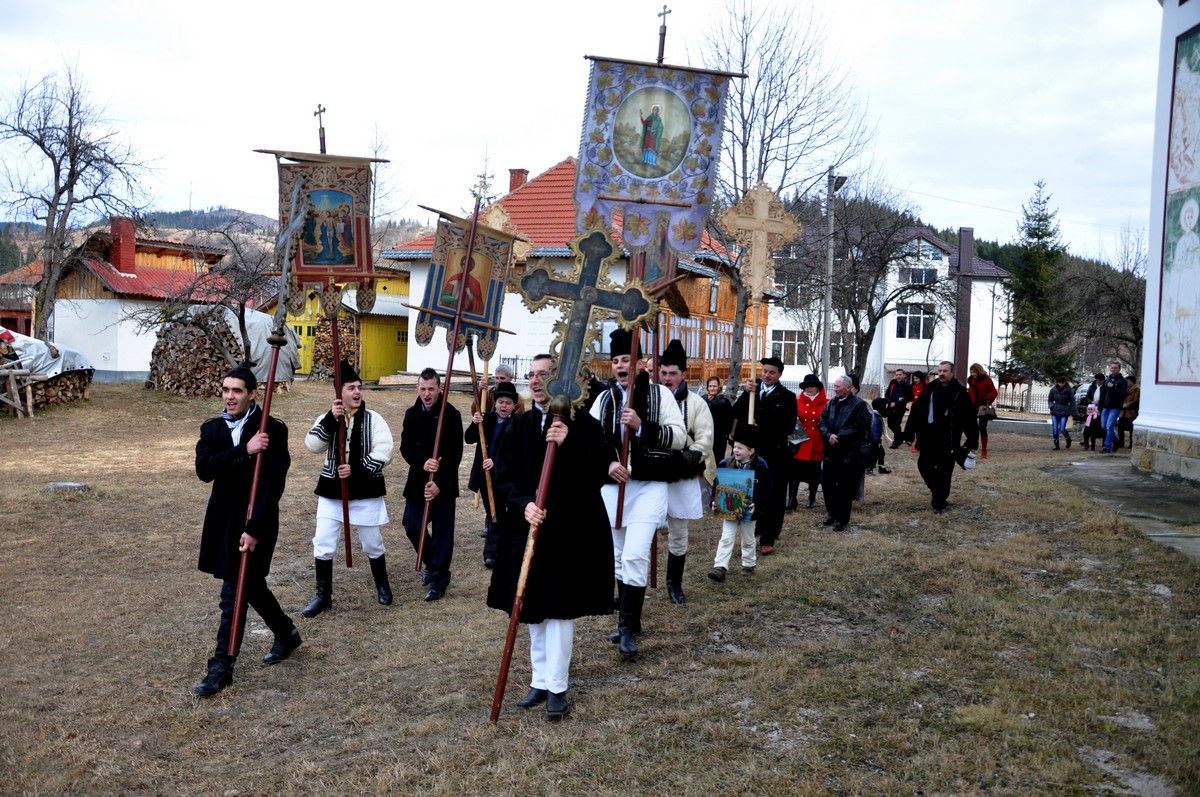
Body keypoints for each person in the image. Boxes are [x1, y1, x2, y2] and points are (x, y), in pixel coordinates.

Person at [489, 353, 616, 721]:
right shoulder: (522, 424)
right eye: (530, 374)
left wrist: (570, 441)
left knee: (559, 609)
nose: (533, 380)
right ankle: (539, 680)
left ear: (560, 382)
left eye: (542, 374)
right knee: (532, 607)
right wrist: (525, 503)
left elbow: (598, 471)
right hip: (530, 527)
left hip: (568, 530)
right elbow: (505, 474)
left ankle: (558, 686)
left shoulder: (583, 426)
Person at [193, 366, 299, 697]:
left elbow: (273, 482)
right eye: (225, 389)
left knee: (234, 591)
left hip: (257, 519)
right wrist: (244, 451)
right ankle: (286, 632)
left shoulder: (271, 429)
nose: (229, 396)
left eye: (237, 390)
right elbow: (204, 470)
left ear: (252, 394)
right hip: (224, 521)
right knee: (249, 585)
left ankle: (222, 666)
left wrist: (254, 529)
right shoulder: (212, 429)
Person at [590, 328, 686, 660]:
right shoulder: (603, 399)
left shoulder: (660, 395)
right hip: (614, 488)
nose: (620, 366)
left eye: (626, 360)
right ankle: (627, 620)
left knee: (634, 555)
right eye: (615, 360)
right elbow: (589, 444)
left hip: (649, 485)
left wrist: (642, 427)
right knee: (617, 556)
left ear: (641, 363)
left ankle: (629, 628)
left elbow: (678, 436)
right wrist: (607, 464)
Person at [301, 361, 396, 616]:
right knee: (323, 542)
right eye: (351, 388)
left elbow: (385, 450)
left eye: (359, 387)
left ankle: (382, 586)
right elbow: (312, 444)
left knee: (372, 543)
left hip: (365, 490)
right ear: (339, 392)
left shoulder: (374, 419)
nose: (357, 392)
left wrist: (358, 468)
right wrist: (333, 420)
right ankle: (323, 596)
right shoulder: (328, 418)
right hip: (332, 491)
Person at [656, 339, 716, 605]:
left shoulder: (697, 404)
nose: (668, 378)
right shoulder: (650, 398)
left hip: (681, 474)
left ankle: (674, 583)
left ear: (683, 375)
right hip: (652, 474)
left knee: (678, 531)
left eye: (673, 374)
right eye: (664, 373)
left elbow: (705, 440)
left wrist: (684, 460)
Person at [401, 367, 464, 602]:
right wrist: (422, 463)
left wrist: (440, 482)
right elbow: (405, 448)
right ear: (417, 388)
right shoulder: (411, 414)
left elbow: (456, 454)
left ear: (439, 389)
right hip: (419, 480)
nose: (427, 394)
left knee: (442, 534)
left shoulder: (451, 414)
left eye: (431, 389)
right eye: (423, 388)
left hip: (444, 484)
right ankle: (431, 562)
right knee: (412, 526)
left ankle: (439, 580)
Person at [731, 357, 797, 555]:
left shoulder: (787, 397)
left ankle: (769, 537)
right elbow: (735, 414)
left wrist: (762, 429)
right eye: (765, 371)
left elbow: (787, 427)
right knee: (752, 492)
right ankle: (755, 529)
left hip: (775, 454)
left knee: (774, 495)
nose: (767, 375)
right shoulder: (752, 393)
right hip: (753, 453)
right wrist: (745, 394)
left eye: (772, 372)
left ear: (779, 375)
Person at [904, 361, 979, 514]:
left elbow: (969, 418)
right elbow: (917, 412)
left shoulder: (960, 392)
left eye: (945, 371)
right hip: (929, 436)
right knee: (923, 465)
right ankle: (938, 491)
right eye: (940, 371)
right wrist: (909, 432)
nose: (941, 373)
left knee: (945, 471)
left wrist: (972, 439)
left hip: (949, 438)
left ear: (952, 373)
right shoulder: (930, 389)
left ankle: (939, 501)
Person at [708, 424, 772, 582]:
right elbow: (717, 486)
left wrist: (757, 503)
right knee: (726, 537)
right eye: (735, 447)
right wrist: (714, 501)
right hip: (729, 510)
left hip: (749, 511)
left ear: (751, 450)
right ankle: (720, 567)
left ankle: (749, 565)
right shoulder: (725, 464)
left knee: (748, 538)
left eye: (740, 448)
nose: (736, 450)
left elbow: (767, 489)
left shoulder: (761, 466)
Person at [466, 381, 519, 569]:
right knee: (492, 513)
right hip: (484, 476)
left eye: (508, 403)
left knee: (499, 514)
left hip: (503, 477)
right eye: (500, 402)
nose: (503, 406)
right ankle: (492, 552)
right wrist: (474, 423)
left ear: (514, 405)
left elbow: (515, 451)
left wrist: (496, 461)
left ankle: (494, 552)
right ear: (495, 403)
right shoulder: (486, 419)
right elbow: (469, 438)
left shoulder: (516, 424)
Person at [818, 374, 871, 531]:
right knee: (826, 482)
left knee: (844, 487)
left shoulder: (859, 405)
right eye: (834, 386)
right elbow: (822, 422)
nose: (835, 388)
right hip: (830, 451)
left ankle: (842, 519)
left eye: (838, 386)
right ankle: (831, 513)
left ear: (848, 388)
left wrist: (840, 436)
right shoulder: (832, 403)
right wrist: (829, 435)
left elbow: (861, 426)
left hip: (848, 453)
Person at [790, 374, 828, 510]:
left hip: (818, 440)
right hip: (799, 439)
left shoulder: (827, 402)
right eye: (806, 386)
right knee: (794, 470)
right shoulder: (796, 401)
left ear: (818, 387)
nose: (809, 388)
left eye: (812, 386)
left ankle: (811, 498)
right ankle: (792, 499)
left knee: (814, 470)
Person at [967, 363, 998, 459]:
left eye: (974, 372)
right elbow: (971, 392)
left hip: (982, 407)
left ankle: (984, 450)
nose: (973, 374)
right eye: (971, 372)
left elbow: (994, 392)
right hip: (972, 407)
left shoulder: (986, 380)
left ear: (978, 371)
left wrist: (987, 400)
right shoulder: (971, 380)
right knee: (972, 429)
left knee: (982, 428)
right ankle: (972, 447)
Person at [1098, 361, 1129, 454]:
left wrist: (1113, 387)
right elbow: (1102, 394)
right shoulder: (1107, 380)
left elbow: (1123, 394)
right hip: (1106, 406)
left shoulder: (1122, 381)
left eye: (1115, 368)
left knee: (1109, 426)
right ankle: (1116, 440)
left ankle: (1107, 446)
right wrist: (1100, 407)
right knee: (1104, 426)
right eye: (1112, 368)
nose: (1113, 369)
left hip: (1115, 407)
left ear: (1119, 369)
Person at [703, 375, 734, 465]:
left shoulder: (724, 402)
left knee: (716, 460)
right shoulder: (702, 399)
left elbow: (729, 419)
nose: (712, 388)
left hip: (718, 438)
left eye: (714, 386)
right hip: (704, 436)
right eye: (710, 386)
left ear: (719, 387)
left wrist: (728, 434)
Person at [882, 368, 913, 448]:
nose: (898, 376)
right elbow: (886, 394)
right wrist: (889, 402)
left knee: (896, 425)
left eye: (900, 375)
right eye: (897, 375)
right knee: (890, 425)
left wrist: (898, 402)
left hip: (900, 408)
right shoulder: (892, 383)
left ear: (904, 375)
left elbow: (909, 397)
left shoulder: (907, 386)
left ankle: (895, 443)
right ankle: (903, 437)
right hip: (890, 407)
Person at [1047, 375, 1075, 450]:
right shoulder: (1053, 389)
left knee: (1062, 428)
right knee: (1055, 428)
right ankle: (1056, 444)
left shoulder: (1069, 390)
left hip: (1064, 410)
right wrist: (1051, 406)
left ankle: (1068, 438)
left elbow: (1072, 402)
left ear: (1065, 382)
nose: (1061, 384)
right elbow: (1050, 399)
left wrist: (1072, 411)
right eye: (1060, 383)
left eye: (1062, 383)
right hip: (1055, 410)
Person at [907, 371, 928, 451]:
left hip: (924, 409)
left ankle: (918, 444)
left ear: (921, 378)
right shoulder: (912, 386)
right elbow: (910, 396)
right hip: (914, 409)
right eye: (914, 378)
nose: (915, 380)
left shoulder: (926, 385)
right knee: (914, 427)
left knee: (922, 427)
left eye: (917, 378)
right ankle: (914, 442)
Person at [1118, 375, 1140, 449]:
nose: (1127, 383)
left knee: (1131, 429)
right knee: (1120, 428)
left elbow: (1135, 400)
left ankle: (1131, 444)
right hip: (1123, 413)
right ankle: (1121, 442)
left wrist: (1127, 405)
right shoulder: (1124, 389)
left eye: (1128, 381)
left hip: (1131, 412)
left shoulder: (1136, 389)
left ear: (1132, 382)